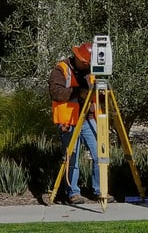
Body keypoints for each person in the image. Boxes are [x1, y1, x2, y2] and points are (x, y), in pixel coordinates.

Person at [48, 42, 113, 204]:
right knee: (72, 157)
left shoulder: (93, 71)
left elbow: (102, 99)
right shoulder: (61, 69)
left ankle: (100, 190)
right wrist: (79, 92)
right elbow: (56, 93)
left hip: (89, 119)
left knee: (100, 154)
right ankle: (73, 192)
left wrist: (103, 92)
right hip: (69, 120)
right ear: (78, 58)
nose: (87, 66)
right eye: (85, 63)